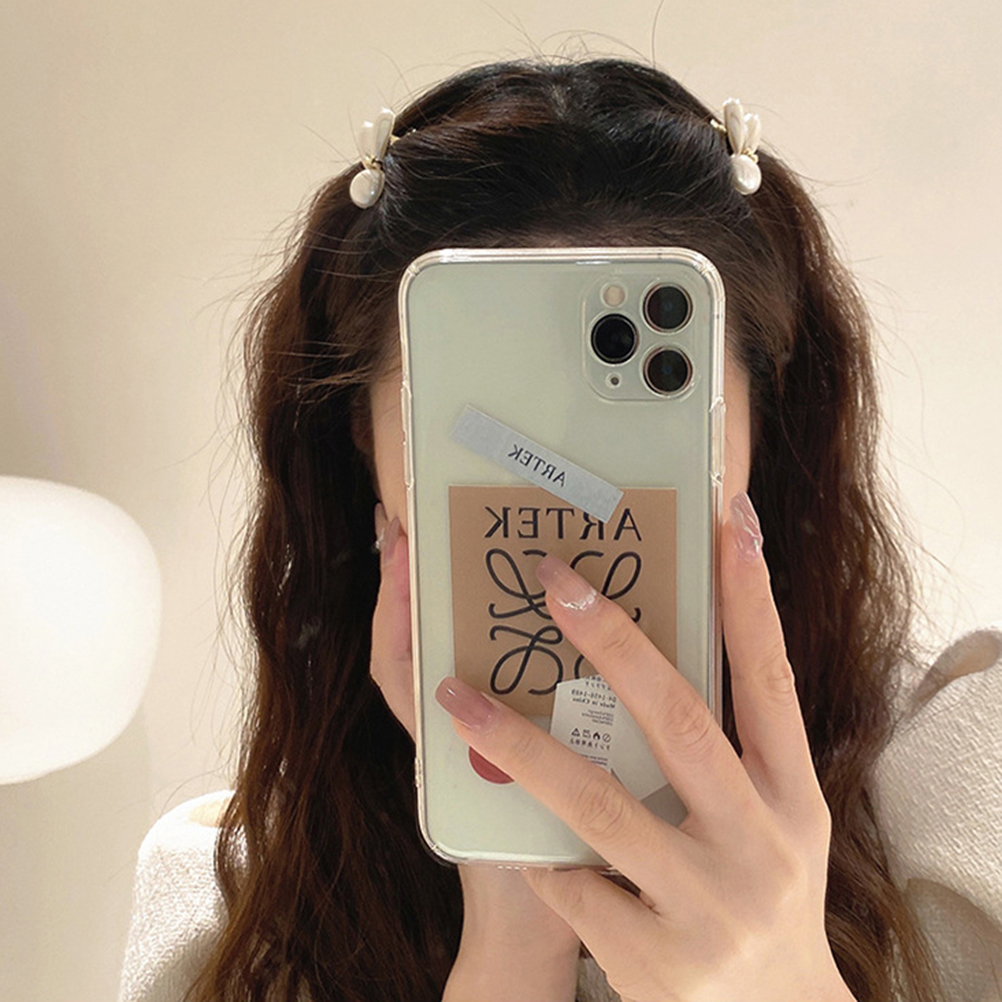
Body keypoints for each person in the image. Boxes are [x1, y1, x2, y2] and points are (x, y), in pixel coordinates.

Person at [118, 57, 1002, 1002]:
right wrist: (513, 936)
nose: (569, 516)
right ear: (365, 449)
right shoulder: (231, 905)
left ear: (761, 430)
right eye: (492, 432)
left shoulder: (962, 788)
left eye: (639, 435)